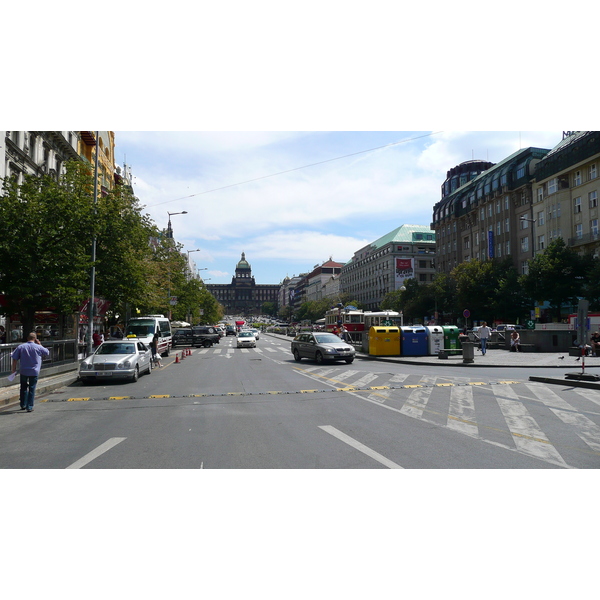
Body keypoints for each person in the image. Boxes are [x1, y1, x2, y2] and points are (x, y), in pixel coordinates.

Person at [11, 332, 50, 412]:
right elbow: (47, 352)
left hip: (23, 370)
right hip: (34, 371)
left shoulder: (21, 347)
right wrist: (40, 344)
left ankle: (23, 404)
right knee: (32, 388)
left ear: (27, 338)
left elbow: (14, 358)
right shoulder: (38, 347)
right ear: (35, 339)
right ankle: (29, 406)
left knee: (23, 388)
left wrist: (13, 369)